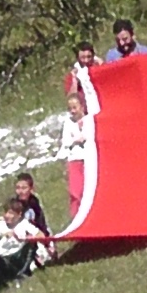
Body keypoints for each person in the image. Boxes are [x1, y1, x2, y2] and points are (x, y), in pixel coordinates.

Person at [0, 197, 51, 288]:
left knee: (32, 245)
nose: (7, 215)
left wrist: (25, 238)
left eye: (11, 213)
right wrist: (3, 235)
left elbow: (41, 235)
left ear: (19, 214)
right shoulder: (0, 225)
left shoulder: (24, 224)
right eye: (6, 212)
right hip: (2, 258)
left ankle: (26, 269)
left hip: (19, 256)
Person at [60, 86, 94, 215]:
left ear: (82, 107)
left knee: (88, 189)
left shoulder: (89, 120)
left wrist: (82, 137)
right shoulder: (68, 123)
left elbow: (91, 136)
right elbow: (66, 142)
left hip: (88, 158)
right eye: (70, 109)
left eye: (75, 107)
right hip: (74, 159)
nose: (72, 111)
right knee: (76, 191)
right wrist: (76, 139)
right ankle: (76, 216)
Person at [12, 173, 51, 237]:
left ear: (31, 188)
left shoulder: (35, 205)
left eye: (24, 188)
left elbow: (42, 225)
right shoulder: (12, 205)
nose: (20, 191)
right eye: (18, 188)